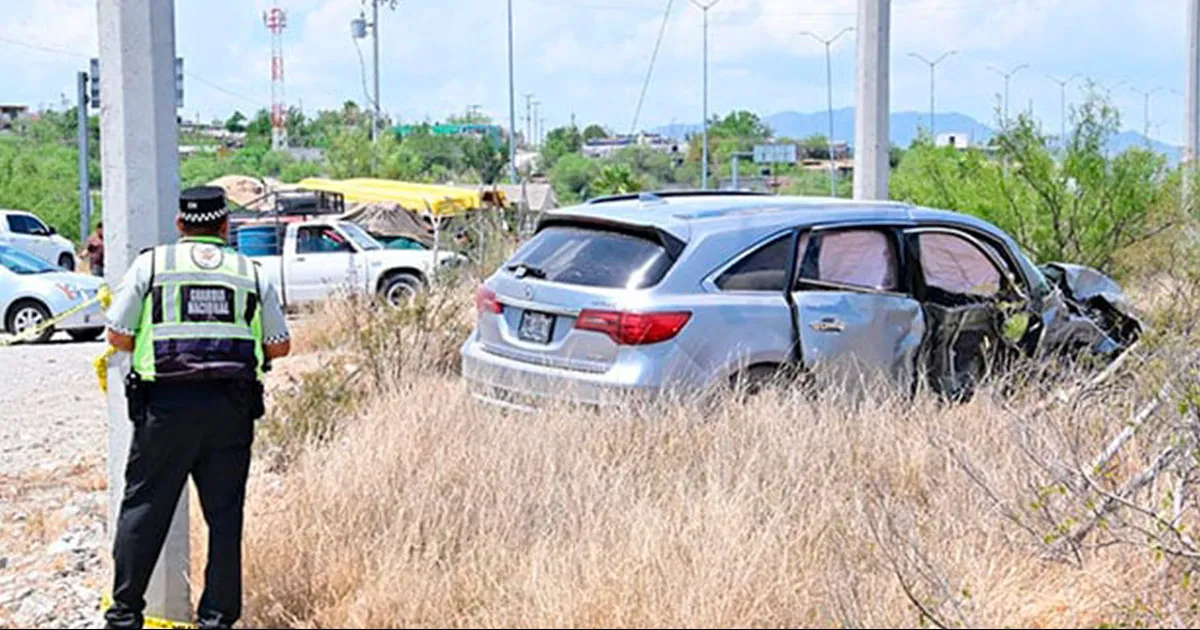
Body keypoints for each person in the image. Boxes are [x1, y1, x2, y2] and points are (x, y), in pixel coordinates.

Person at [102, 186, 291, 629]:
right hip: (231, 408)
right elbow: (279, 346)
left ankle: (125, 614)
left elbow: (118, 333)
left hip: (164, 407)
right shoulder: (251, 272)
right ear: (225, 227)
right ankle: (217, 620)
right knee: (225, 519)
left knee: (145, 508)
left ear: (180, 225)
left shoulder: (153, 265)